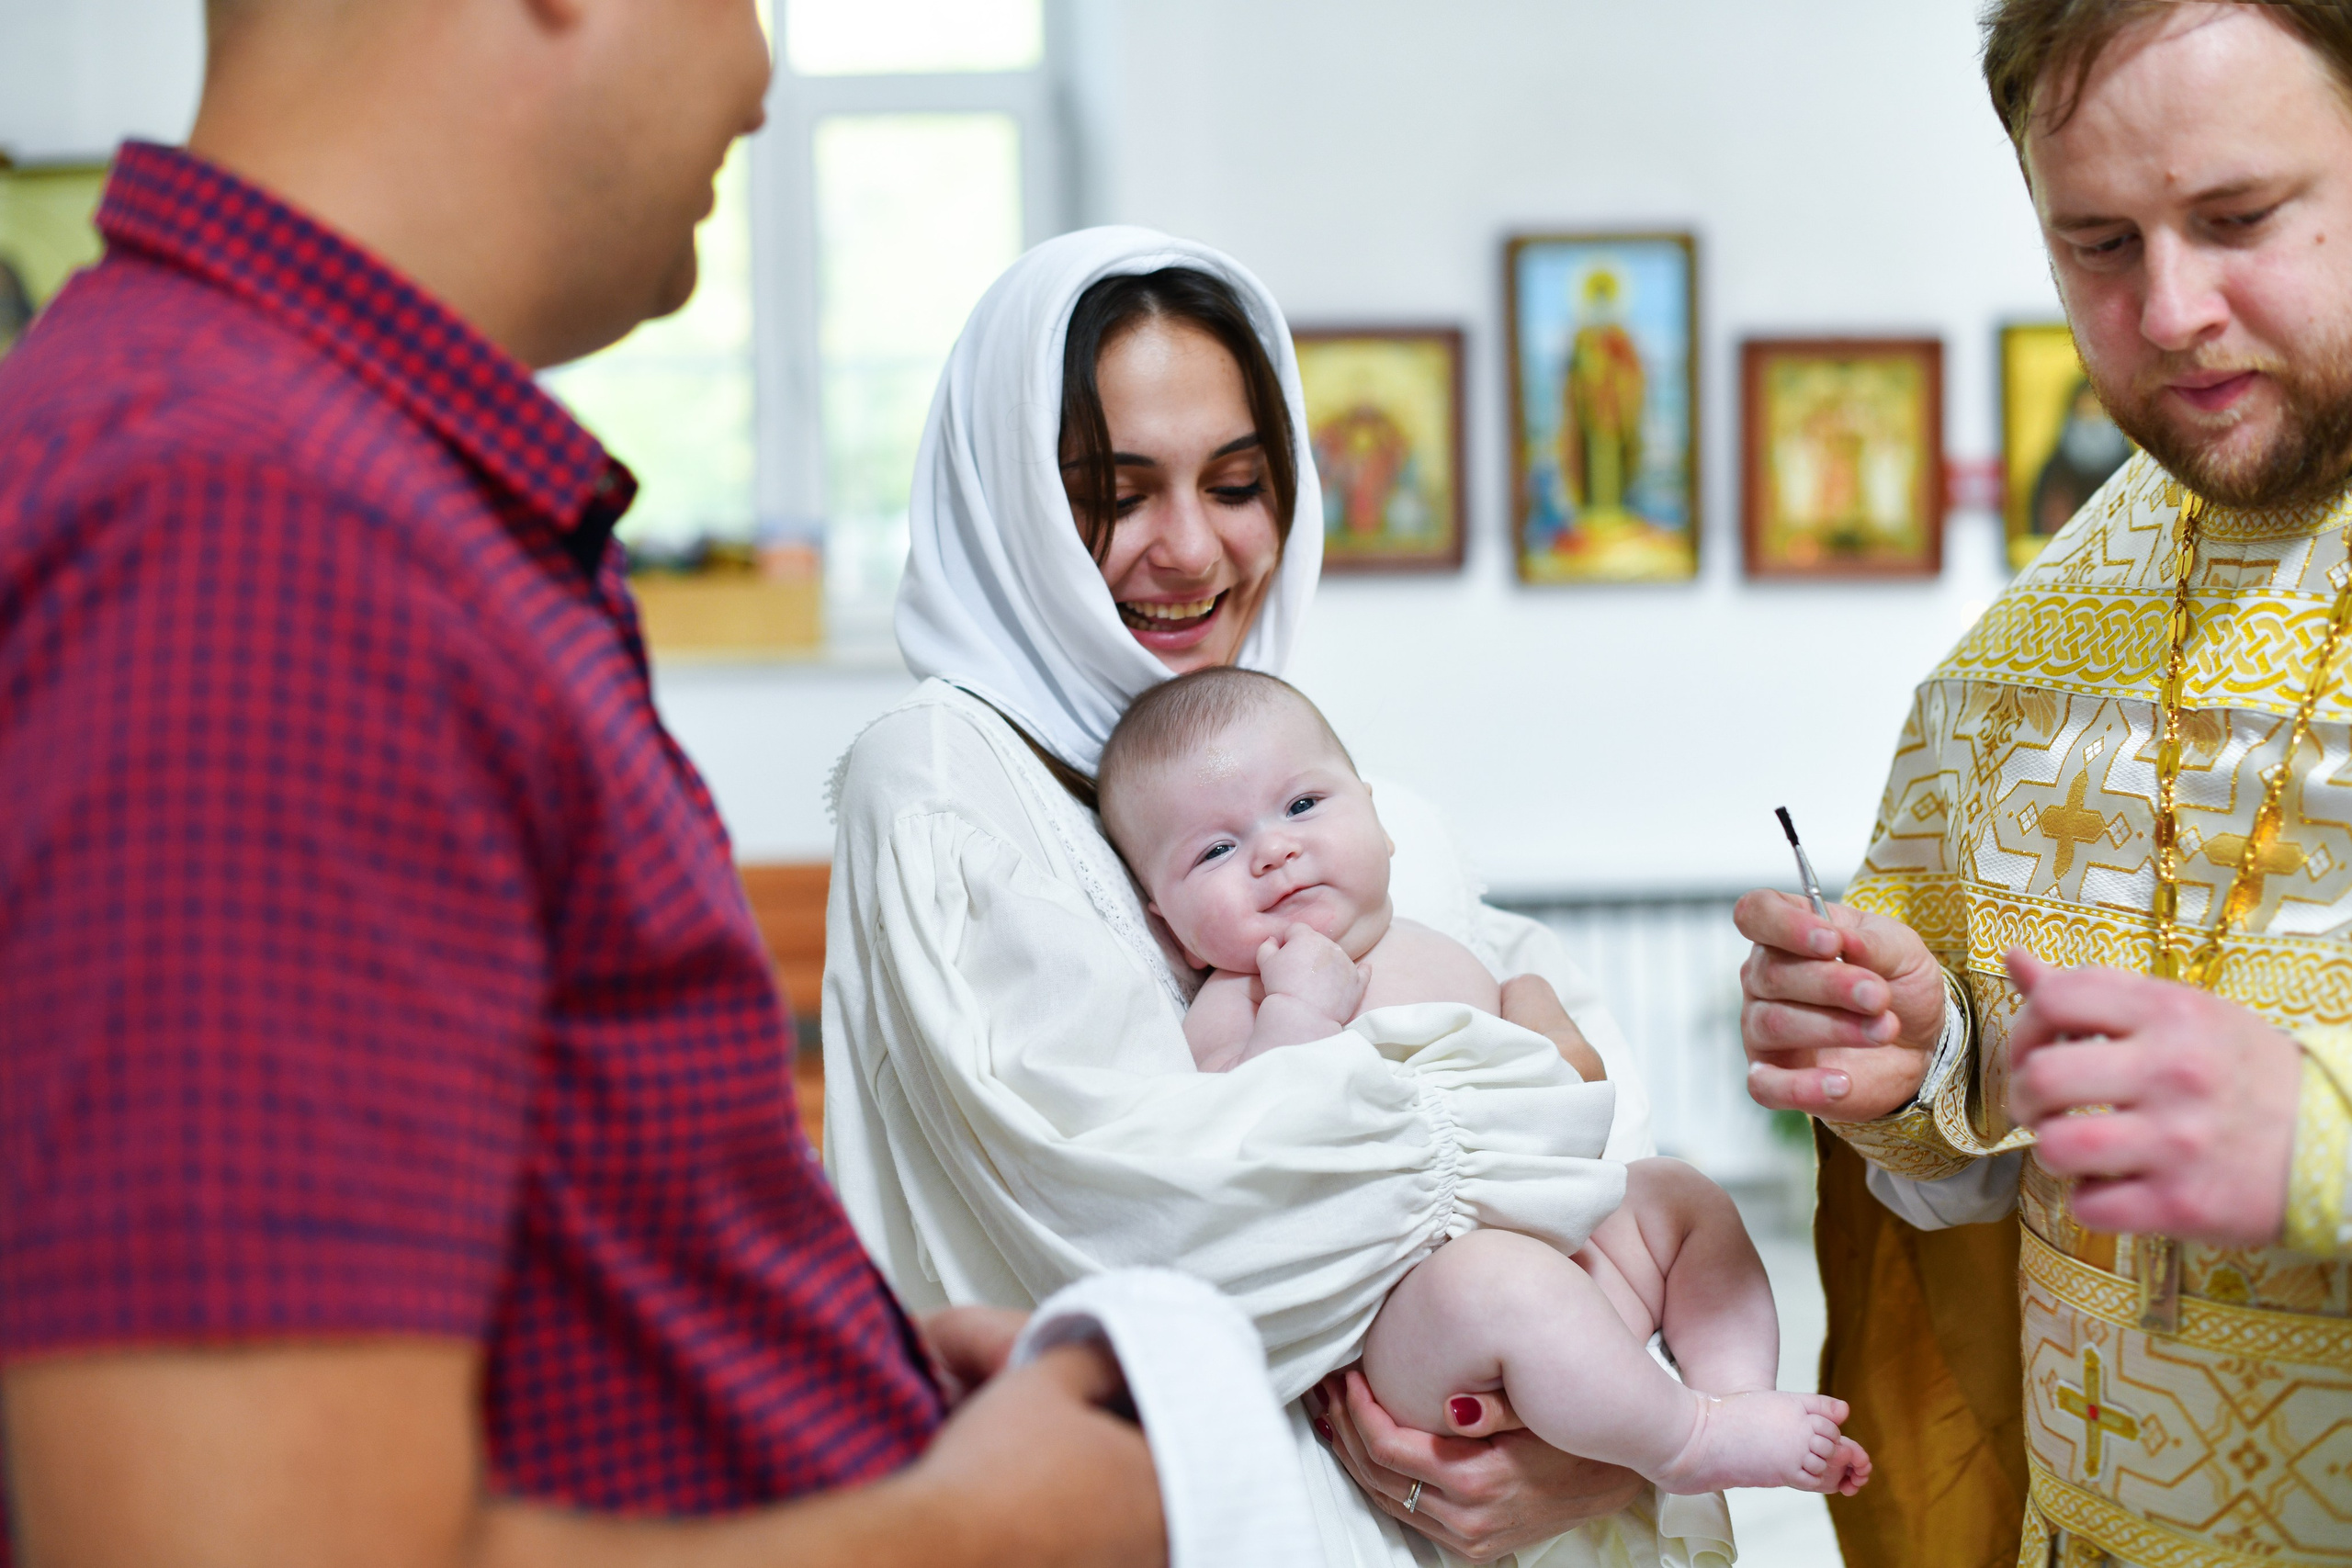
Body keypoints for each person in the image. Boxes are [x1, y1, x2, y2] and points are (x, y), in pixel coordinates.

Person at [0, 3, 1169, 1565]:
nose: (759, 78)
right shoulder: (256, 528)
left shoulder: (322, 482)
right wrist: (977, 1534)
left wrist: (845, 1382)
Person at [825, 230, 1740, 1566]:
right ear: (1009, 500)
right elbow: (1150, 1229)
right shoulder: (946, 783)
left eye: (1240, 481)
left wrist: (1577, 1456)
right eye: (1114, 492)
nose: (1189, 549)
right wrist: (1518, 1098)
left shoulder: (1365, 807)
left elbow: (1614, 1168)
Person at [1735, 5, 2352, 1565]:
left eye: (2237, 219)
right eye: (2097, 244)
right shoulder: (2026, 649)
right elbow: (1971, 1179)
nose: (2173, 310)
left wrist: (2319, 1137)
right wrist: (1927, 1057)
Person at [1095, 665, 1872, 1498]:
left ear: (1381, 824)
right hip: (1419, 1314)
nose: (1274, 850)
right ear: (1165, 923)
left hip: (1562, 1250)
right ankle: (1687, 1440)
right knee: (1504, 1282)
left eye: (1302, 806)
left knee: (1681, 1197)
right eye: (1217, 849)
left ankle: (1733, 1397)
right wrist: (1295, 1012)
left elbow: (1565, 1103)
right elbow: (1236, 1160)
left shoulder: (1454, 947)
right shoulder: (1233, 1003)